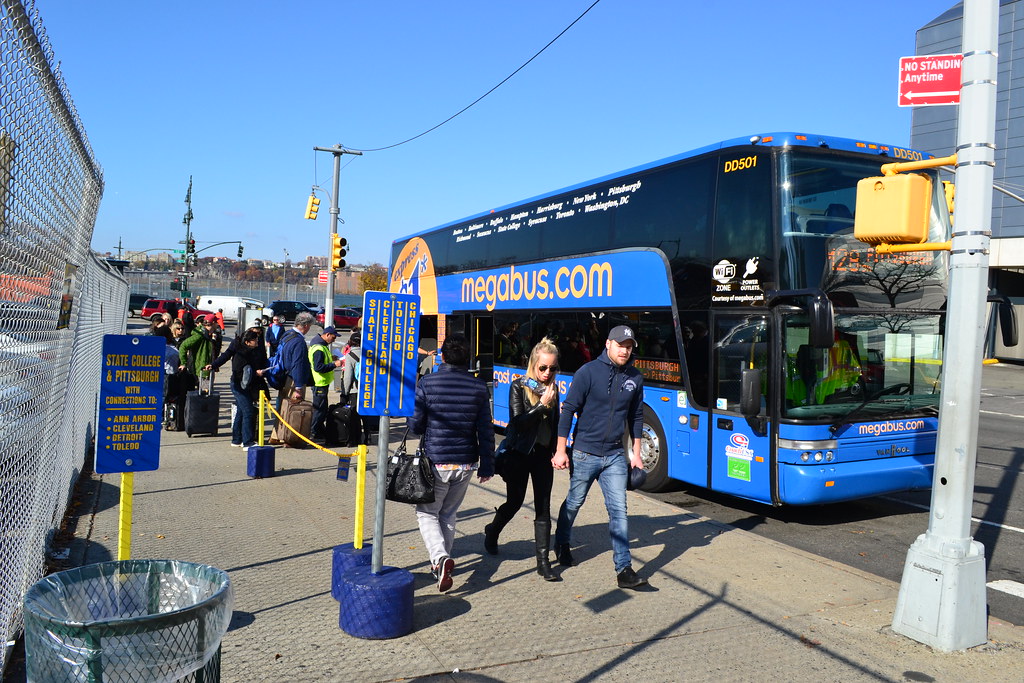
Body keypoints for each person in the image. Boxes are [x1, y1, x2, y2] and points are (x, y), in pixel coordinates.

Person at [552, 324, 649, 590]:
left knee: (619, 510)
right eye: (621, 346)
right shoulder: (588, 372)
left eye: (629, 347)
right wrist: (561, 450)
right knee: (574, 502)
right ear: (608, 344)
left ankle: (624, 569)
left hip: (616, 455)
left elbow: (636, 417)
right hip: (585, 452)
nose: (625, 351)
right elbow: (568, 410)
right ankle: (561, 542)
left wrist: (636, 454)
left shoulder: (635, 377)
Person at [410, 333, 495, 593]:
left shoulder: (427, 383)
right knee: (448, 514)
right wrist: (488, 464)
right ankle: (440, 569)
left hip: (436, 461)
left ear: (443, 357)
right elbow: (485, 429)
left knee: (427, 513)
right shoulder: (479, 387)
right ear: (467, 359)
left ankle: (440, 559)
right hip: (466, 463)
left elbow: (415, 425)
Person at [484, 338, 561, 581]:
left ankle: (543, 562)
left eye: (552, 368)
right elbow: (516, 423)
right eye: (543, 368)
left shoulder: (553, 390)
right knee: (515, 502)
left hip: (541, 456)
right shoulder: (519, 386)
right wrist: (541, 406)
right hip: (519, 454)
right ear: (533, 365)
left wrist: (559, 450)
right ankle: (492, 530)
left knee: (544, 506)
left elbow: (556, 423)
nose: (547, 373)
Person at [205, 328, 269, 447]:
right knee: (248, 411)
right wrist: (213, 365)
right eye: (255, 339)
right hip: (238, 385)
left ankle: (236, 439)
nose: (258, 341)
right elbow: (227, 356)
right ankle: (247, 442)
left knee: (241, 410)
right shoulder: (240, 351)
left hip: (248, 384)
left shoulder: (256, 348)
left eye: (259, 336)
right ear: (247, 341)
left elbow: (263, 360)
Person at [269, 312, 315, 442]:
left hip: (283, 376)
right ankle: (288, 437)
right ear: (305, 326)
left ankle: (275, 435)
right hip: (293, 379)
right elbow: (298, 364)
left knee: (282, 407)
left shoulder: (286, 335)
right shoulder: (299, 342)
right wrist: (299, 386)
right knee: (292, 409)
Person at [308, 326, 343, 440]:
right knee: (319, 410)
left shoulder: (321, 346)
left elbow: (321, 361)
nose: (334, 340)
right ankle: (313, 432)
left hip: (321, 383)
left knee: (321, 409)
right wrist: (334, 364)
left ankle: (318, 430)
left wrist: (331, 358)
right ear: (327, 335)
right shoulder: (319, 348)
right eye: (333, 337)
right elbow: (318, 367)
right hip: (319, 383)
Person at [178, 318, 218, 390]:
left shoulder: (210, 335)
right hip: (202, 370)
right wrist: (183, 363)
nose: (218, 324)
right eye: (216, 322)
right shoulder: (199, 335)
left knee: (206, 393)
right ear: (213, 323)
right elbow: (183, 346)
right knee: (204, 395)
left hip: (208, 369)